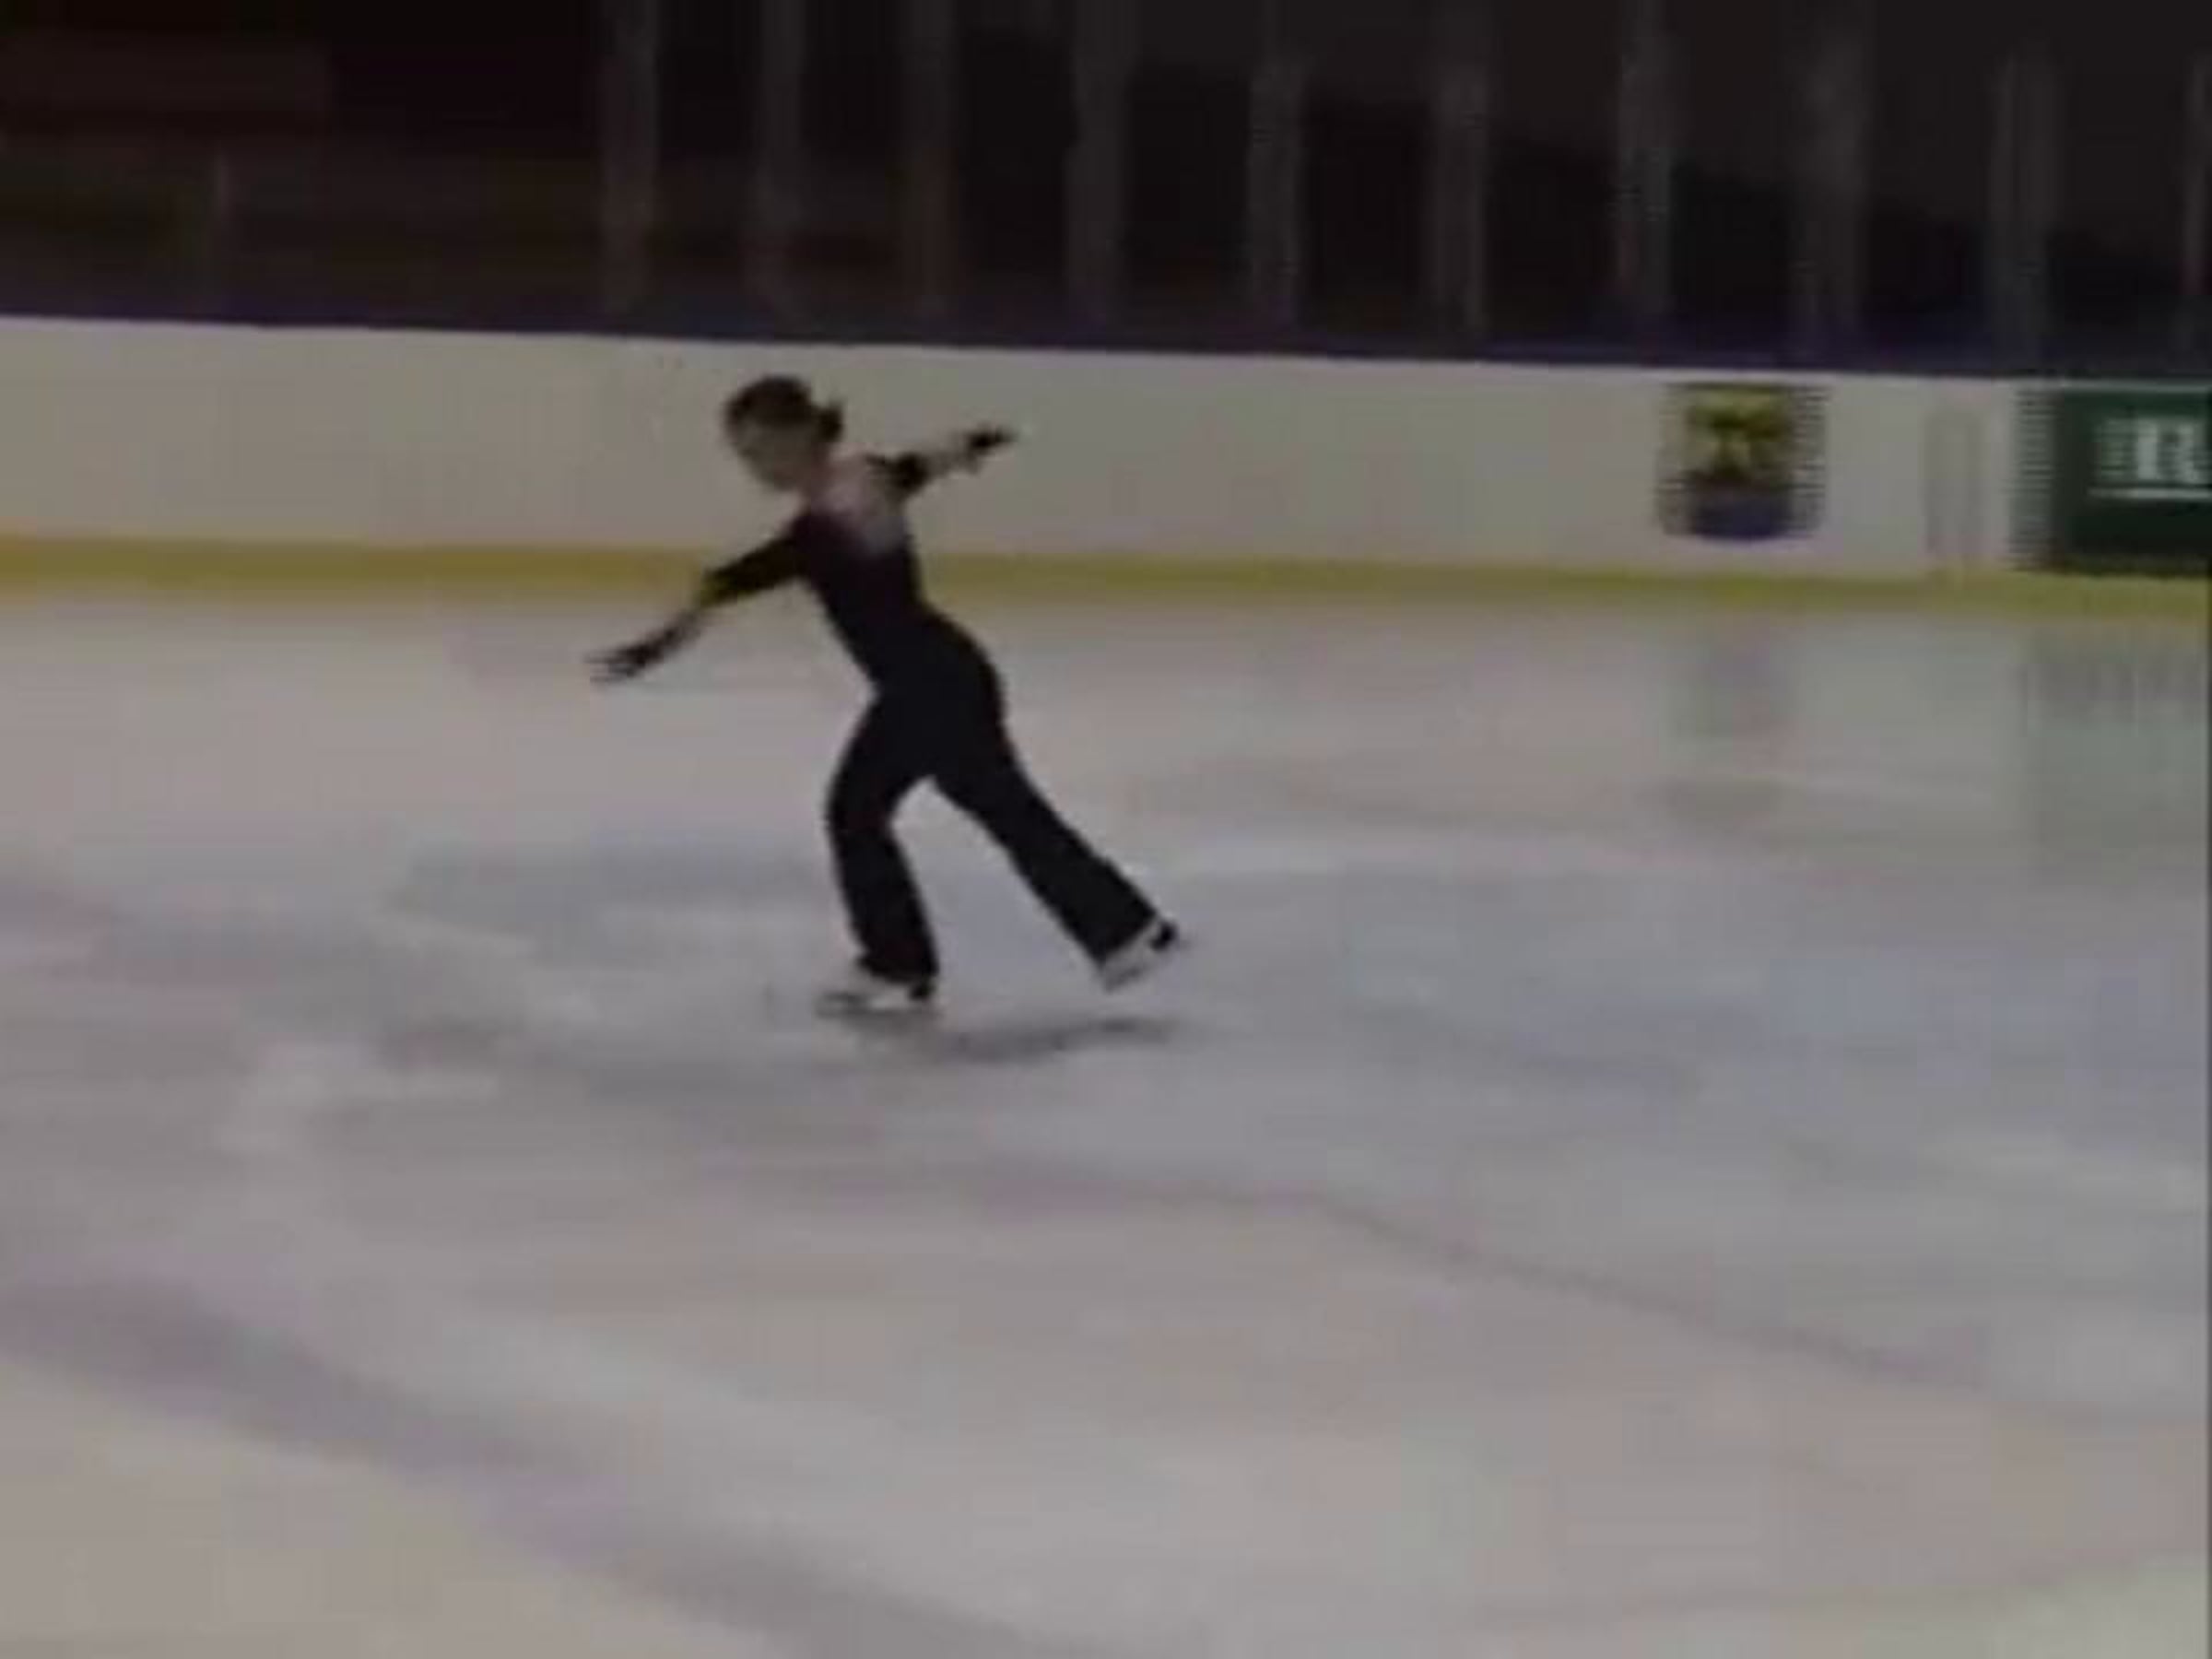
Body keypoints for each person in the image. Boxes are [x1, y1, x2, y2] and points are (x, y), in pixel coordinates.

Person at [593, 375, 1182, 1019]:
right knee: (941, 810)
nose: (754, 466)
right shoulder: (861, 479)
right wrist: (962, 446)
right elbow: (913, 469)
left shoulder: (833, 516)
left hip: (930, 688)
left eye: (760, 450)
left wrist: (666, 637)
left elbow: (752, 571)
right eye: (744, 454)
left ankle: (914, 959)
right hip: (931, 680)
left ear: (799, 435)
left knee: (907, 810)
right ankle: (1116, 931)